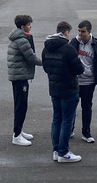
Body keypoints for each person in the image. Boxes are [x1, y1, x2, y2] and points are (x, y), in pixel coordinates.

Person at [41, 21, 85, 163]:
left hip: (54, 87)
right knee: (67, 120)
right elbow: (79, 69)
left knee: (56, 118)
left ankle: (56, 150)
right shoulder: (68, 49)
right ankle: (64, 152)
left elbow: (46, 67)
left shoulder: (46, 48)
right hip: (69, 88)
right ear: (66, 33)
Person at [73, 20, 97, 143]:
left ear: (89, 31)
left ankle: (86, 132)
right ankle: (69, 129)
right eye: (79, 31)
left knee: (87, 107)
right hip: (75, 81)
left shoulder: (96, 45)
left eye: (83, 31)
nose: (80, 34)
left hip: (89, 82)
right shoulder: (73, 43)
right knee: (71, 106)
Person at [7, 14, 42, 146]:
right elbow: (31, 58)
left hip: (18, 75)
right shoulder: (22, 40)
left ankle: (19, 130)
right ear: (23, 26)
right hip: (20, 76)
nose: (30, 26)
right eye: (29, 24)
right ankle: (17, 135)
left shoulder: (18, 37)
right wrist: (46, 62)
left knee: (20, 103)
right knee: (21, 105)